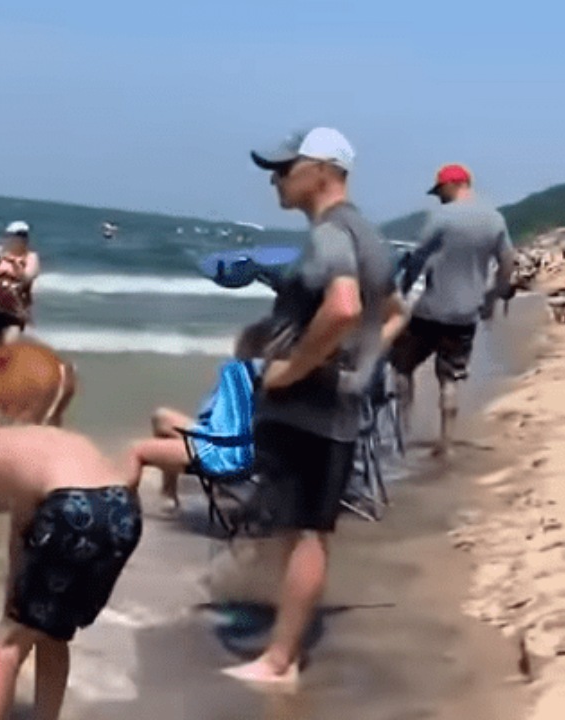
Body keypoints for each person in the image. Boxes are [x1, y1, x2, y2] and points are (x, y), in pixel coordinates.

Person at [221, 127, 403, 690]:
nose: (275, 179)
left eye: (283, 168)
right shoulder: (368, 234)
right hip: (334, 408)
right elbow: (395, 311)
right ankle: (285, 643)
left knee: (300, 532)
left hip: (307, 409)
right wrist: (361, 369)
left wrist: (291, 371)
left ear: (321, 170)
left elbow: (344, 307)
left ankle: (279, 660)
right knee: (309, 531)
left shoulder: (331, 233)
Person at [0, 387, 142, 720]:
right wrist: (15, 608)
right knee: (53, 632)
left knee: (7, 645)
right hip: (122, 511)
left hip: (71, 508)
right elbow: (24, 538)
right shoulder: (27, 440)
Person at [389, 164, 516, 457]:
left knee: (401, 367)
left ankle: (403, 435)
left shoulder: (441, 218)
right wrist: (492, 298)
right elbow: (507, 261)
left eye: (439, 192)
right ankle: (446, 444)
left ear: (453, 185)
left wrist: (402, 297)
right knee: (450, 378)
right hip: (465, 315)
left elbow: (417, 260)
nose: (438, 198)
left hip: (429, 312)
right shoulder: (494, 219)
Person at [129, 322, 273, 515]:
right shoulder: (269, 375)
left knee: (136, 450)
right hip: (236, 446)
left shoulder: (245, 373)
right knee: (162, 417)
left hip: (222, 452)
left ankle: (125, 517)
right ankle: (169, 494)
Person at [0, 221, 40, 345]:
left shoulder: (30, 257)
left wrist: (18, 269)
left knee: (9, 348)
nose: (19, 240)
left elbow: (29, 277)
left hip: (14, 311)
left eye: (23, 236)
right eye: (15, 236)